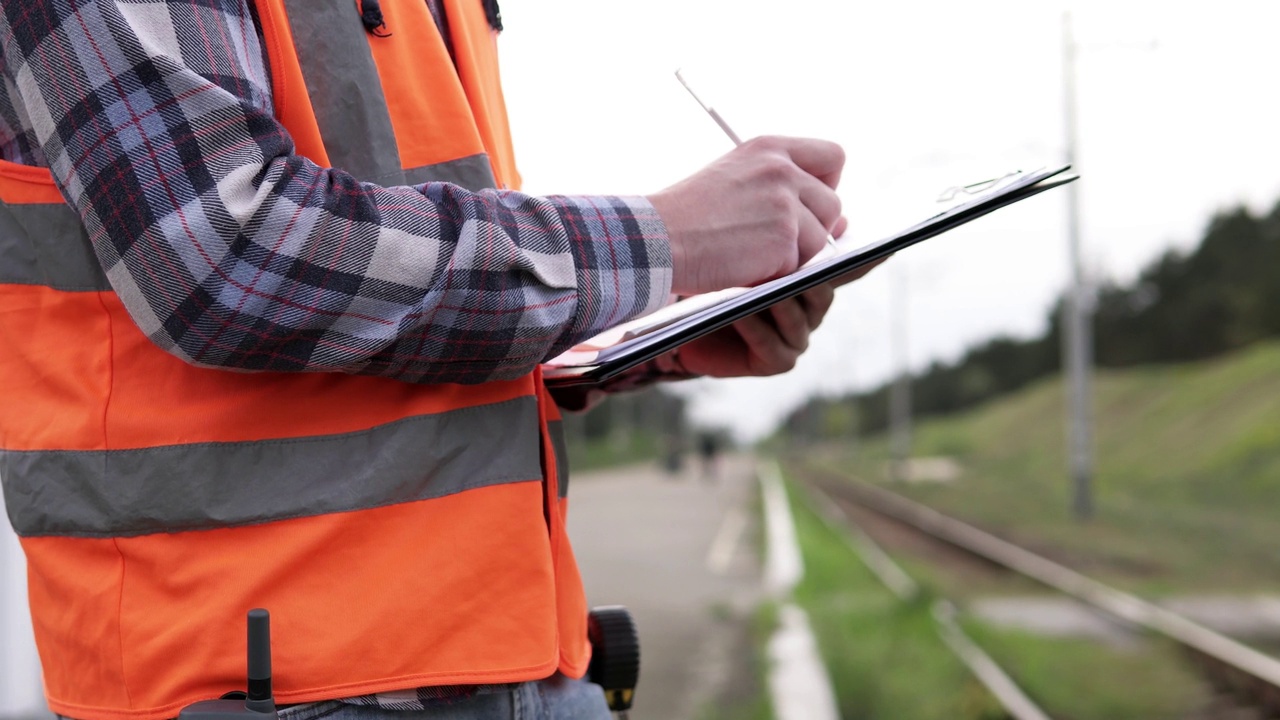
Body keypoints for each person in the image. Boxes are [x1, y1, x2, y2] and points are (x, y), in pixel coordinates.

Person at [0, 1, 867, 718]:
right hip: (257, 682)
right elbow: (228, 256)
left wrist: (646, 330)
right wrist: (668, 240)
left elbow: (419, 302)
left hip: (527, 663)